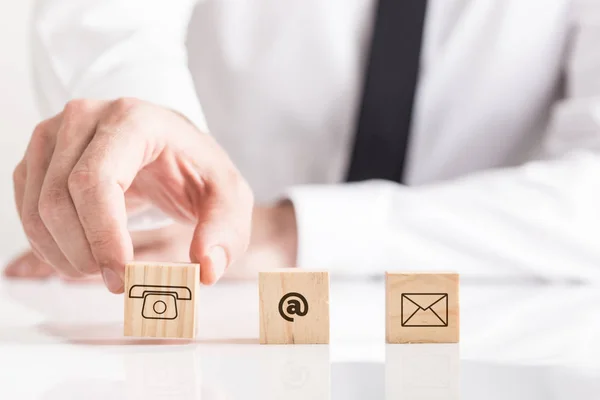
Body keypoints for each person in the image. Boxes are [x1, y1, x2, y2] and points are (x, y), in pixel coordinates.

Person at [4, 0, 600, 292]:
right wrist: (136, 126)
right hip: (205, 292)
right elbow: (106, 19)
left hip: (501, 312)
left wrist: (292, 232)